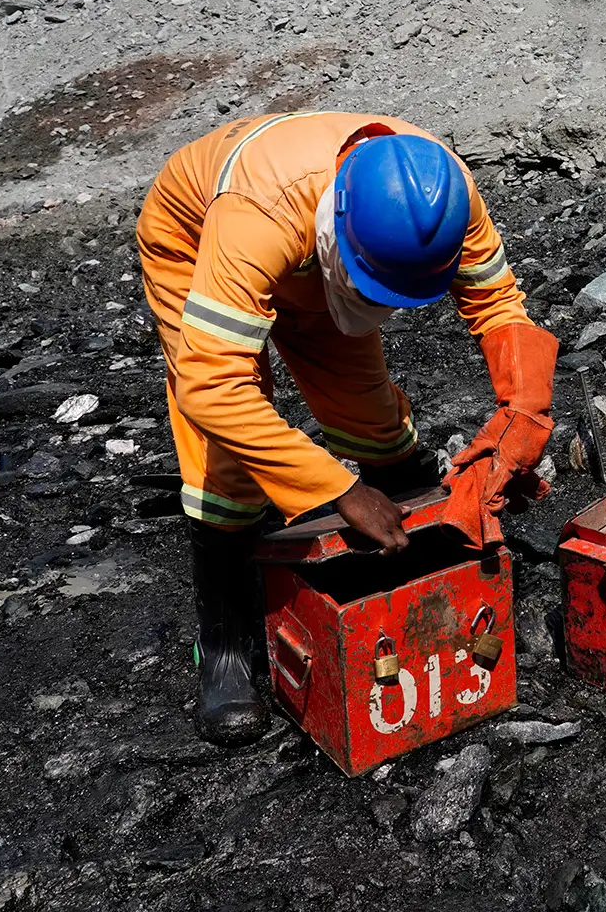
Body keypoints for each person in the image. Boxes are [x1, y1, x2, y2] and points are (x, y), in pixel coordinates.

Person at [137, 112, 559, 746]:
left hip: (311, 257)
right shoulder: (263, 212)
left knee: (369, 416)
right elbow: (212, 387)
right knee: (228, 463)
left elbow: (500, 307)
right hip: (198, 238)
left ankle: (412, 549)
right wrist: (339, 491)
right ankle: (228, 647)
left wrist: (521, 424)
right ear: (338, 232)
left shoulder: (445, 197)